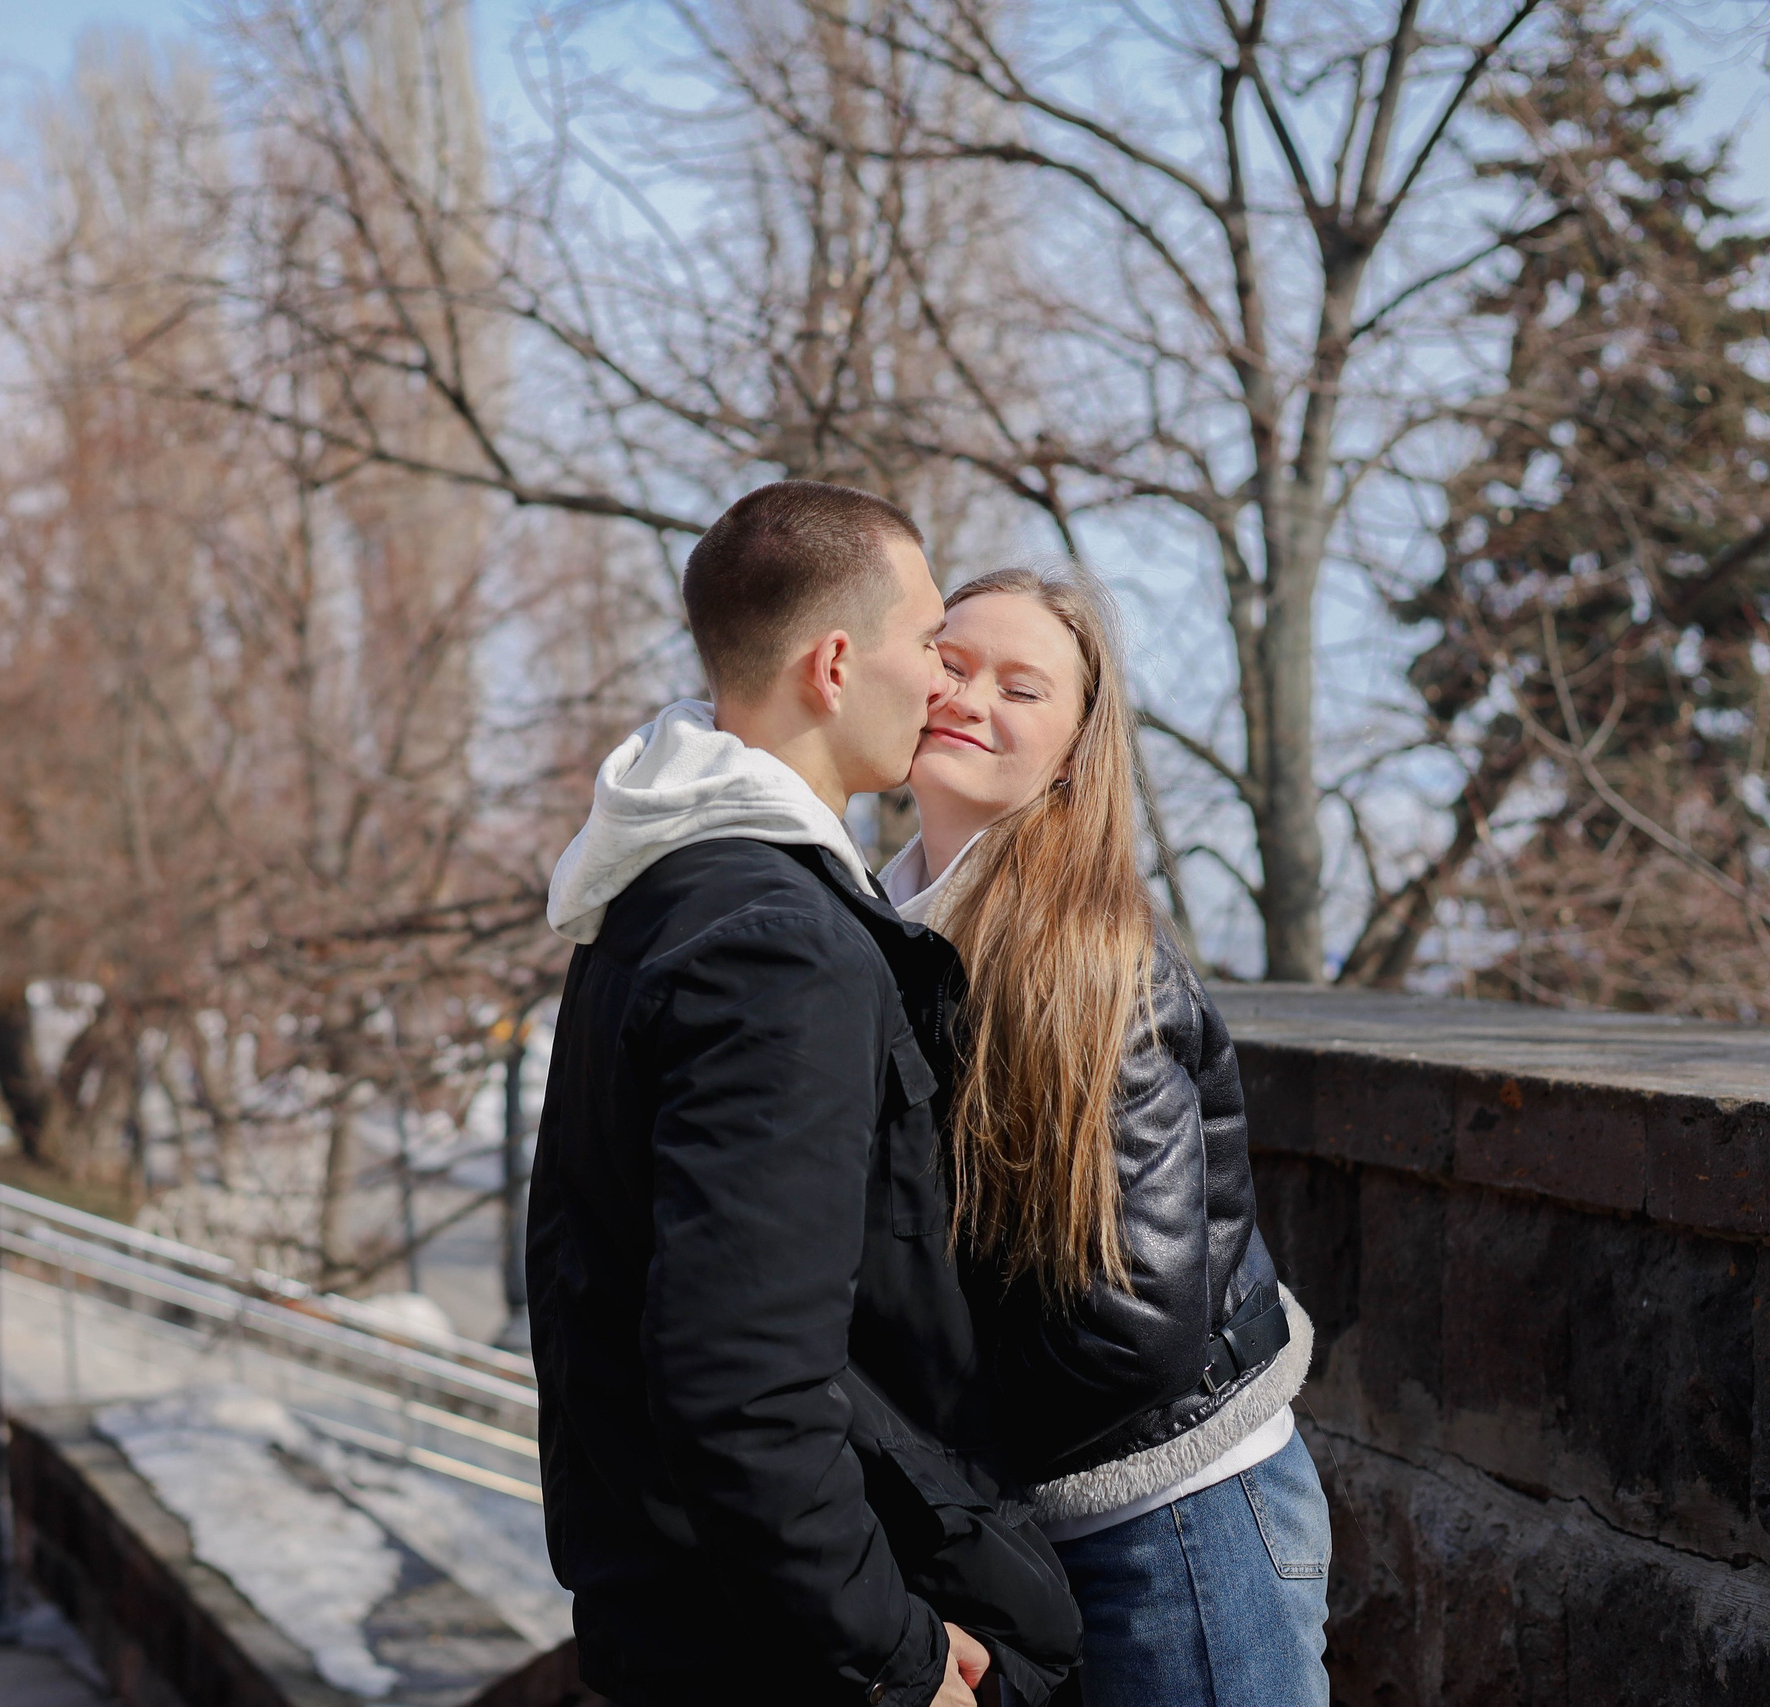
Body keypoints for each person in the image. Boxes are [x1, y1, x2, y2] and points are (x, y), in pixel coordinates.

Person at [528, 484, 1077, 1707]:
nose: (940, 680)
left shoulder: (661, 889)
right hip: (771, 1658)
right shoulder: (778, 946)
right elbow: (741, 1381)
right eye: (928, 642)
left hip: (687, 1622)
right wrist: (895, 1656)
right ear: (834, 666)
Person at [879, 566, 1330, 1707]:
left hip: (1178, 1529)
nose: (968, 697)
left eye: (1020, 687)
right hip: (1042, 1524)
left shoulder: (1086, 963)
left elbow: (1134, 1328)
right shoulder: (885, 925)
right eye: (949, 661)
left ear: (1077, 749)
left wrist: (919, 1453)